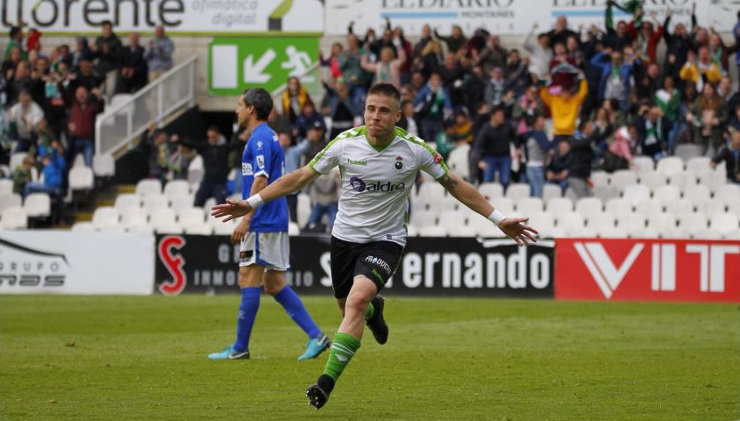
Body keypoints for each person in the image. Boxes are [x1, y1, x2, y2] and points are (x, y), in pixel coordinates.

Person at [211, 83, 537, 409]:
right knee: (348, 308)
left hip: (386, 240)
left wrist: (498, 219)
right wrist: (250, 204)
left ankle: (325, 383)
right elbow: (299, 177)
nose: (375, 116)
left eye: (383, 111)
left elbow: (455, 184)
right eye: (370, 108)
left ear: (398, 115)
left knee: (354, 301)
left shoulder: (414, 149)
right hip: (344, 239)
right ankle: (373, 311)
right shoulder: (345, 144)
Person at [208, 87, 330, 362]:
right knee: (274, 284)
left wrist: (247, 218)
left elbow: (261, 180)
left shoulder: (260, 138)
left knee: (248, 278)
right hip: (272, 217)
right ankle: (316, 336)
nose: (236, 109)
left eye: (240, 104)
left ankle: (239, 348)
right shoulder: (264, 137)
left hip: (263, 220)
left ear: (251, 109)